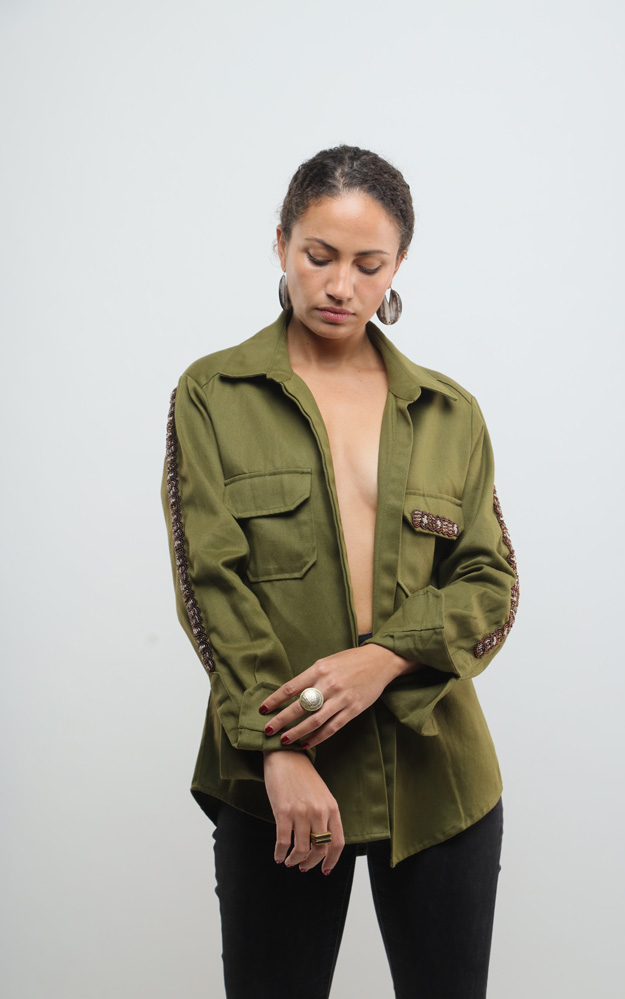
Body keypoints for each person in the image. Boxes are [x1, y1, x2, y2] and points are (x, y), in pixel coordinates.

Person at [162, 145, 518, 999]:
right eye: (318, 256)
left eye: (368, 264)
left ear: (398, 266)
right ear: (281, 242)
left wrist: (382, 658)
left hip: (439, 780)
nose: (339, 286)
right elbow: (210, 585)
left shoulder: (450, 412)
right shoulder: (213, 394)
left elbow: (490, 584)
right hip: (277, 781)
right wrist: (277, 748)